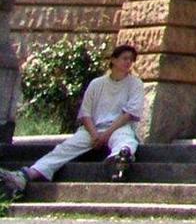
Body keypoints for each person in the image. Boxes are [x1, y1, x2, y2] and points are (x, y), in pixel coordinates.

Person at [2, 43, 146, 195]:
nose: (128, 62)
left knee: (126, 141)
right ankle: (27, 175)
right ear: (114, 60)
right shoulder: (97, 84)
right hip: (92, 129)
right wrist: (95, 134)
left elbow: (129, 114)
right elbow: (86, 113)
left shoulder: (135, 84)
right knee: (64, 148)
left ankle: (119, 161)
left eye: (131, 59)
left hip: (118, 128)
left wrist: (107, 134)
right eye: (124, 58)